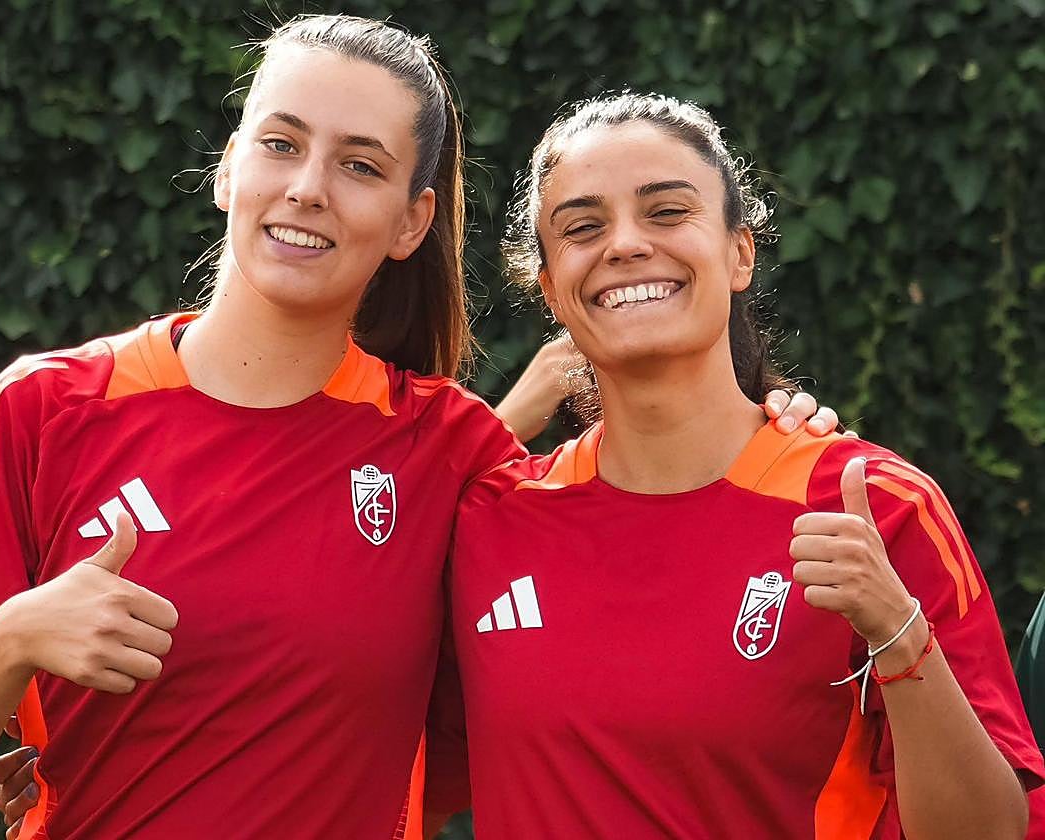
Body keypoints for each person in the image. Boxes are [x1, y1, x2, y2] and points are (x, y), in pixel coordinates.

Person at [0, 15, 835, 839]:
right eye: (281, 144)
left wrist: (768, 435)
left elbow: (582, 656)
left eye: (359, 165)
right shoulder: (47, 408)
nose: (309, 186)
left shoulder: (454, 454)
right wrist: (13, 639)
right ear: (229, 167)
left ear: (411, 223)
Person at [429, 93, 1043, 838]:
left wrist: (897, 631)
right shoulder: (485, 520)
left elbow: (993, 832)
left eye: (665, 212)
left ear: (739, 253)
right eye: (583, 227)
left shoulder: (873, 507)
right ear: (552, 288)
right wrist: (512, 415)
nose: (624, 244)